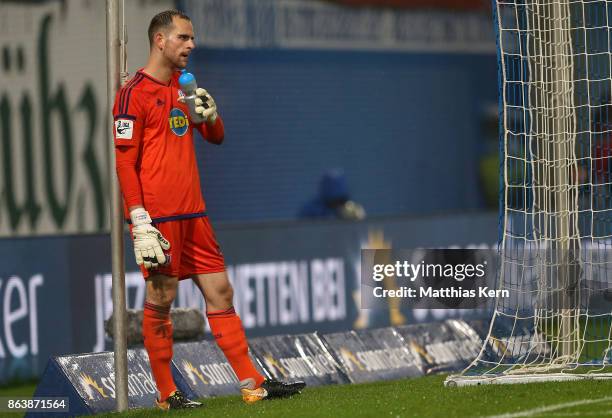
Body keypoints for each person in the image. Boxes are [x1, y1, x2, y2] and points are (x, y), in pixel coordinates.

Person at [113, 9, 305, 410]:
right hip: (159, 219)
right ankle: (167, 394)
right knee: (162, 297)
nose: (191, 45)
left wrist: (211, 115)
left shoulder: (184, 88)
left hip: (194, 214)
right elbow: (124, 163)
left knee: (221, 291)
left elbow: (215, 137)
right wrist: (139, 218)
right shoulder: (133, 94)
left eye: (192, 38)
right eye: (183, 38)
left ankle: (252, 383)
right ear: (160, 41)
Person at [298, 169, 366, 220]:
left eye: (341, 200)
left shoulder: (351, 209)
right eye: (335, 201)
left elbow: (361, 229)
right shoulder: (311, 209)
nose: (337, 205)